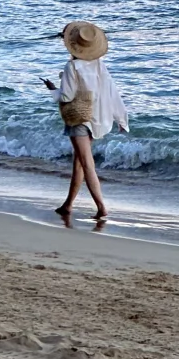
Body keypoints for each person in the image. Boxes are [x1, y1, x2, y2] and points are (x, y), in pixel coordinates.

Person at [43, 20, 128, 219]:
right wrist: (121, 119)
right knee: (79, 163)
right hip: (96, 117)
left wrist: (53, 89)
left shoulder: (72, 66)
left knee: (86, 164)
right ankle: (68, 205)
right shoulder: (99, 65)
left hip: (79, 117)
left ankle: (101, 208)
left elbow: (66, 97)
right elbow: (112, 92)